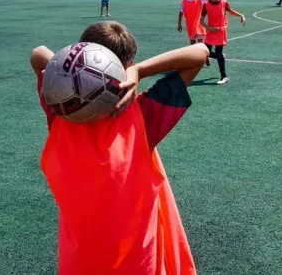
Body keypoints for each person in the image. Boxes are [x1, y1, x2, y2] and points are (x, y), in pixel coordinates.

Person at [31, 21, 207, 274]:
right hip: (136, 261)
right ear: (124, 68)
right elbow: (199, 54)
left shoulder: (59, 111)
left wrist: (77, 70)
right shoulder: (143, 114)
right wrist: (140, 71)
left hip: (80, 259)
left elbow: (38, 53)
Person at [200, 0, 246, 85]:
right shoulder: (206, 4)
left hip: (221, 31)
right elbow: (201, 21)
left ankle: (224, 76)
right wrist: (209, 28)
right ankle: (220, 56)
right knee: (205, 52)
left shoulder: (224, 3)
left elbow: (231, 12)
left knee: (218, 53)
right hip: (211, 31)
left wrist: (241, 15)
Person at [178, 0, 211, 66]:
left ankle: (206, 58)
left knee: (201, 43)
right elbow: (181, 12)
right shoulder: (184, 1)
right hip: (190, 25)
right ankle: (195, 60)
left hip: (199, 25)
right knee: (193, 45)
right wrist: (179, 24)